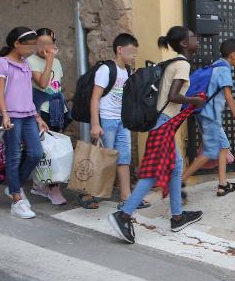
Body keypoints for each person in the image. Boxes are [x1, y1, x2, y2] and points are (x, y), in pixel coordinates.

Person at [108, 26, 205, 243]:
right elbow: (173, 96)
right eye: (193, 37)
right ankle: (123, 215)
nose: (197, 40)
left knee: (175, 167)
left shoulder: (174, 63)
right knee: (152, 173)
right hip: (163, 124)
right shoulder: (182, 64)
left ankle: (178, 216)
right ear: (183, 43)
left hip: (163, 123)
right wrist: (195, 101)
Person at [0, 27, 47, 219]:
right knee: (13, 155)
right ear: (16, 44)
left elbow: (27, 93)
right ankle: (16, 200)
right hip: (10, 115)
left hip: (28, 114)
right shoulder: (2, 64)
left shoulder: (25, 65)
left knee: (36, 153)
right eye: (29, 45)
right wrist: (4, 115)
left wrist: (38, 118)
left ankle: (14, 187)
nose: (31, 49)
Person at [83, 33, 142, 210]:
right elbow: (95, 98)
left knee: (124, 158)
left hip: (122, 121)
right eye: (131, 52)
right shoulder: (106, 70)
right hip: (106, 120)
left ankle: (126, 197)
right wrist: (95, 123)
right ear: (120, 50)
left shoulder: (128, 71)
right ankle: (87, 193)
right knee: (103, 159)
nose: (134, 56)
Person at [182, 38, 235, 197]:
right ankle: (180, 180)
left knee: (223, 147)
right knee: (210, 152)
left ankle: (222, 185)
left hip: (204, 115)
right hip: (210, 117)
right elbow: (228, 97)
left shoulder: (215, 65)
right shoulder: (224, 70)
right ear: (232, 55)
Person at [28, 27, 68, 206]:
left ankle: (40, 185)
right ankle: (53, 189)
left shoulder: (58, 63)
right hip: (40, 110)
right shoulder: (31, 61)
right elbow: (43, 84)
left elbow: (58, 86)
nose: (45, 47)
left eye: (49, 44)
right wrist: (50, 59)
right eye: (41, 43)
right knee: (48, 152)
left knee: (55, 150)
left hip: (58, 109)